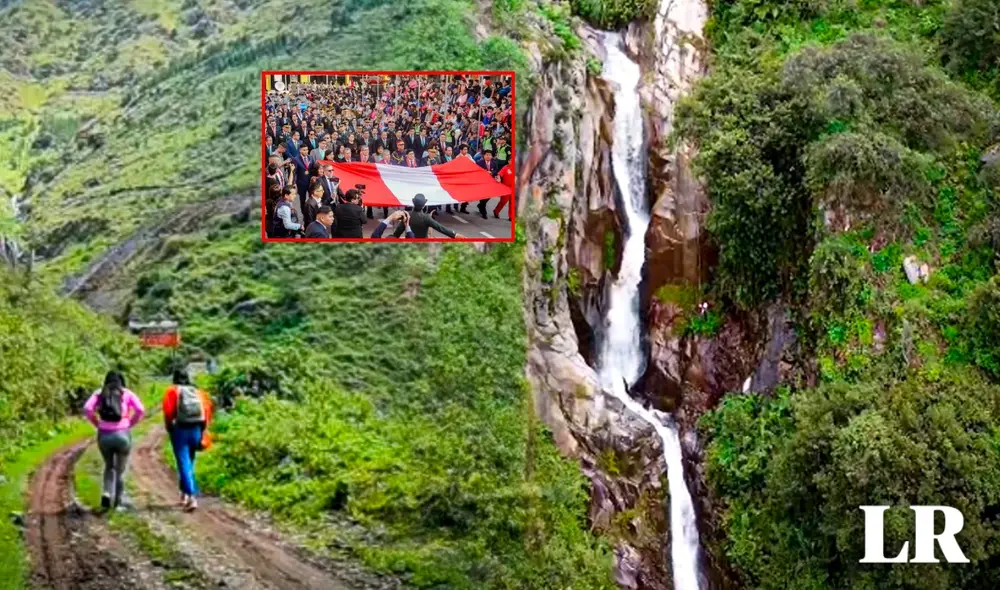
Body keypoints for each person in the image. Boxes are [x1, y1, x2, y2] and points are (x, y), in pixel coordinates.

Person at [83, 371, 145, 511]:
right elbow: (140, 409)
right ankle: (118, 503)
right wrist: (130, 423)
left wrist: (96, 423)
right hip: (122, 434)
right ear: (121, 381)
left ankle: (106, 493)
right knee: (120, 470)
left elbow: (87, 408)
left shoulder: (99, 393)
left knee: (109, 466)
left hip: (104, 435)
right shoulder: (126, 393)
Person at [163, 369, 214, 512]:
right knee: (189, 461)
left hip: (180, 430)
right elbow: (208, 410)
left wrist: (169, 427)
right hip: (196, 429)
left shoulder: (172, 391)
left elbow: (168, 412)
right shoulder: (198, 392)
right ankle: (184, 494)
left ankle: (192, 496)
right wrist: (203, 429)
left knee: (183, 462)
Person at [393, 194, 461, 238]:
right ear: (424, 205)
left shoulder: (407, 216)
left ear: (413, 203)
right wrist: (455, 235)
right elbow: (441, 228)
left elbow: (397, 233)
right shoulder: (426, 218)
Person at [477, 149, 500, 219]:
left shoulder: (494, 163)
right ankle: (483, 212)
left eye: (489, 155)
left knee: (489, 196)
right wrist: (484, 173)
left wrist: (492, 173)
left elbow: (496, 170)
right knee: (483, 197)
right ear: (484, 156)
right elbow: (476, 171)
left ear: (491, 156)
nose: (488, 156)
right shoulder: (479, 163)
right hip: (482, 182)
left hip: (491, 183)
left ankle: (480, 205)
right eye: (486, 155)